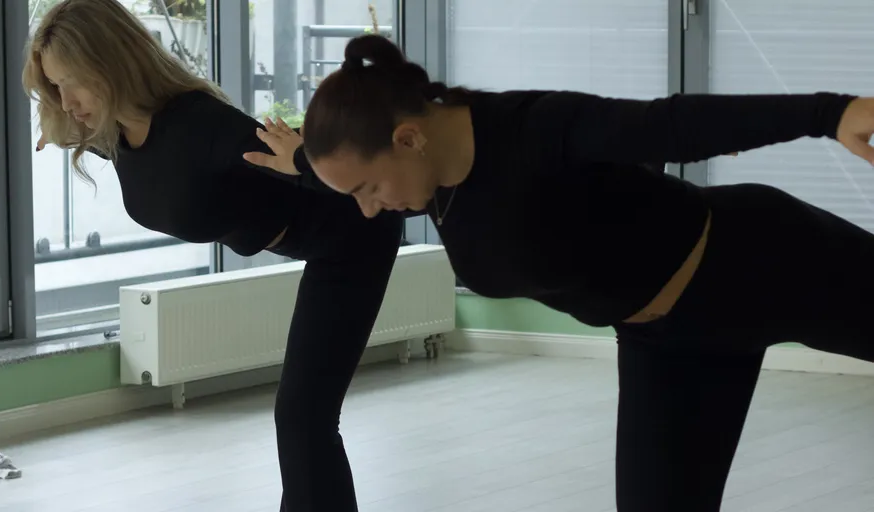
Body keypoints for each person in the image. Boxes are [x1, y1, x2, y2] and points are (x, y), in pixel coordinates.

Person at [252, 33, 874, 511]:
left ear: (410, 139)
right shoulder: (416, 173)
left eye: (366, 189)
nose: (367, 208)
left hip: (763, 261)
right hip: (667, 342)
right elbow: (352, 168)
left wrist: (832, 113)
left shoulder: (534, 129)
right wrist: (304, 163)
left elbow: (670, 124)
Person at [23, 3, 412, 510]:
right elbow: (97, 139)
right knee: (302, 416)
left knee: (303, 416)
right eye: (56, 87)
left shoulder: (201, 126)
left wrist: (306, 158)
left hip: (353, 233)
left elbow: (324, 171)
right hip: (314, 242)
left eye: (72, 82)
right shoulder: (117, 133)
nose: (67, 101)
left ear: (112, 61)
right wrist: (59, 128)